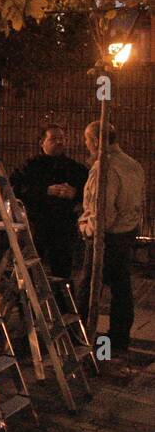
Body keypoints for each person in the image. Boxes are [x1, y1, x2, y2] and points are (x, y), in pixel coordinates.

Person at [77, 121, 146, 355]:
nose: (85, 145)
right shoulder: (132, 164)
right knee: (121, 287)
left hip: (108, 237)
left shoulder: (104, 168)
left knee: (88, 287)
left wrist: (88, 229)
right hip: (126, 233)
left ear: (96, 141)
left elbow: (103, 211)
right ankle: (118, 338)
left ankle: (81, 334)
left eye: (87, 140)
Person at [11, 124, 89, 280]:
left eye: (62, 139)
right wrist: (45, 191)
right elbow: (15, 189)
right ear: (42, 142)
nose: (59, 142)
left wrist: (75, 193)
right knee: (30, 269)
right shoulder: (29, 167)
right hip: (35, 224)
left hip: (63, 226)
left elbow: (89, 192)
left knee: (62, 270)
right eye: (53, 139)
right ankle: (27, 301)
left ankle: (62, 303)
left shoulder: (75, 168)